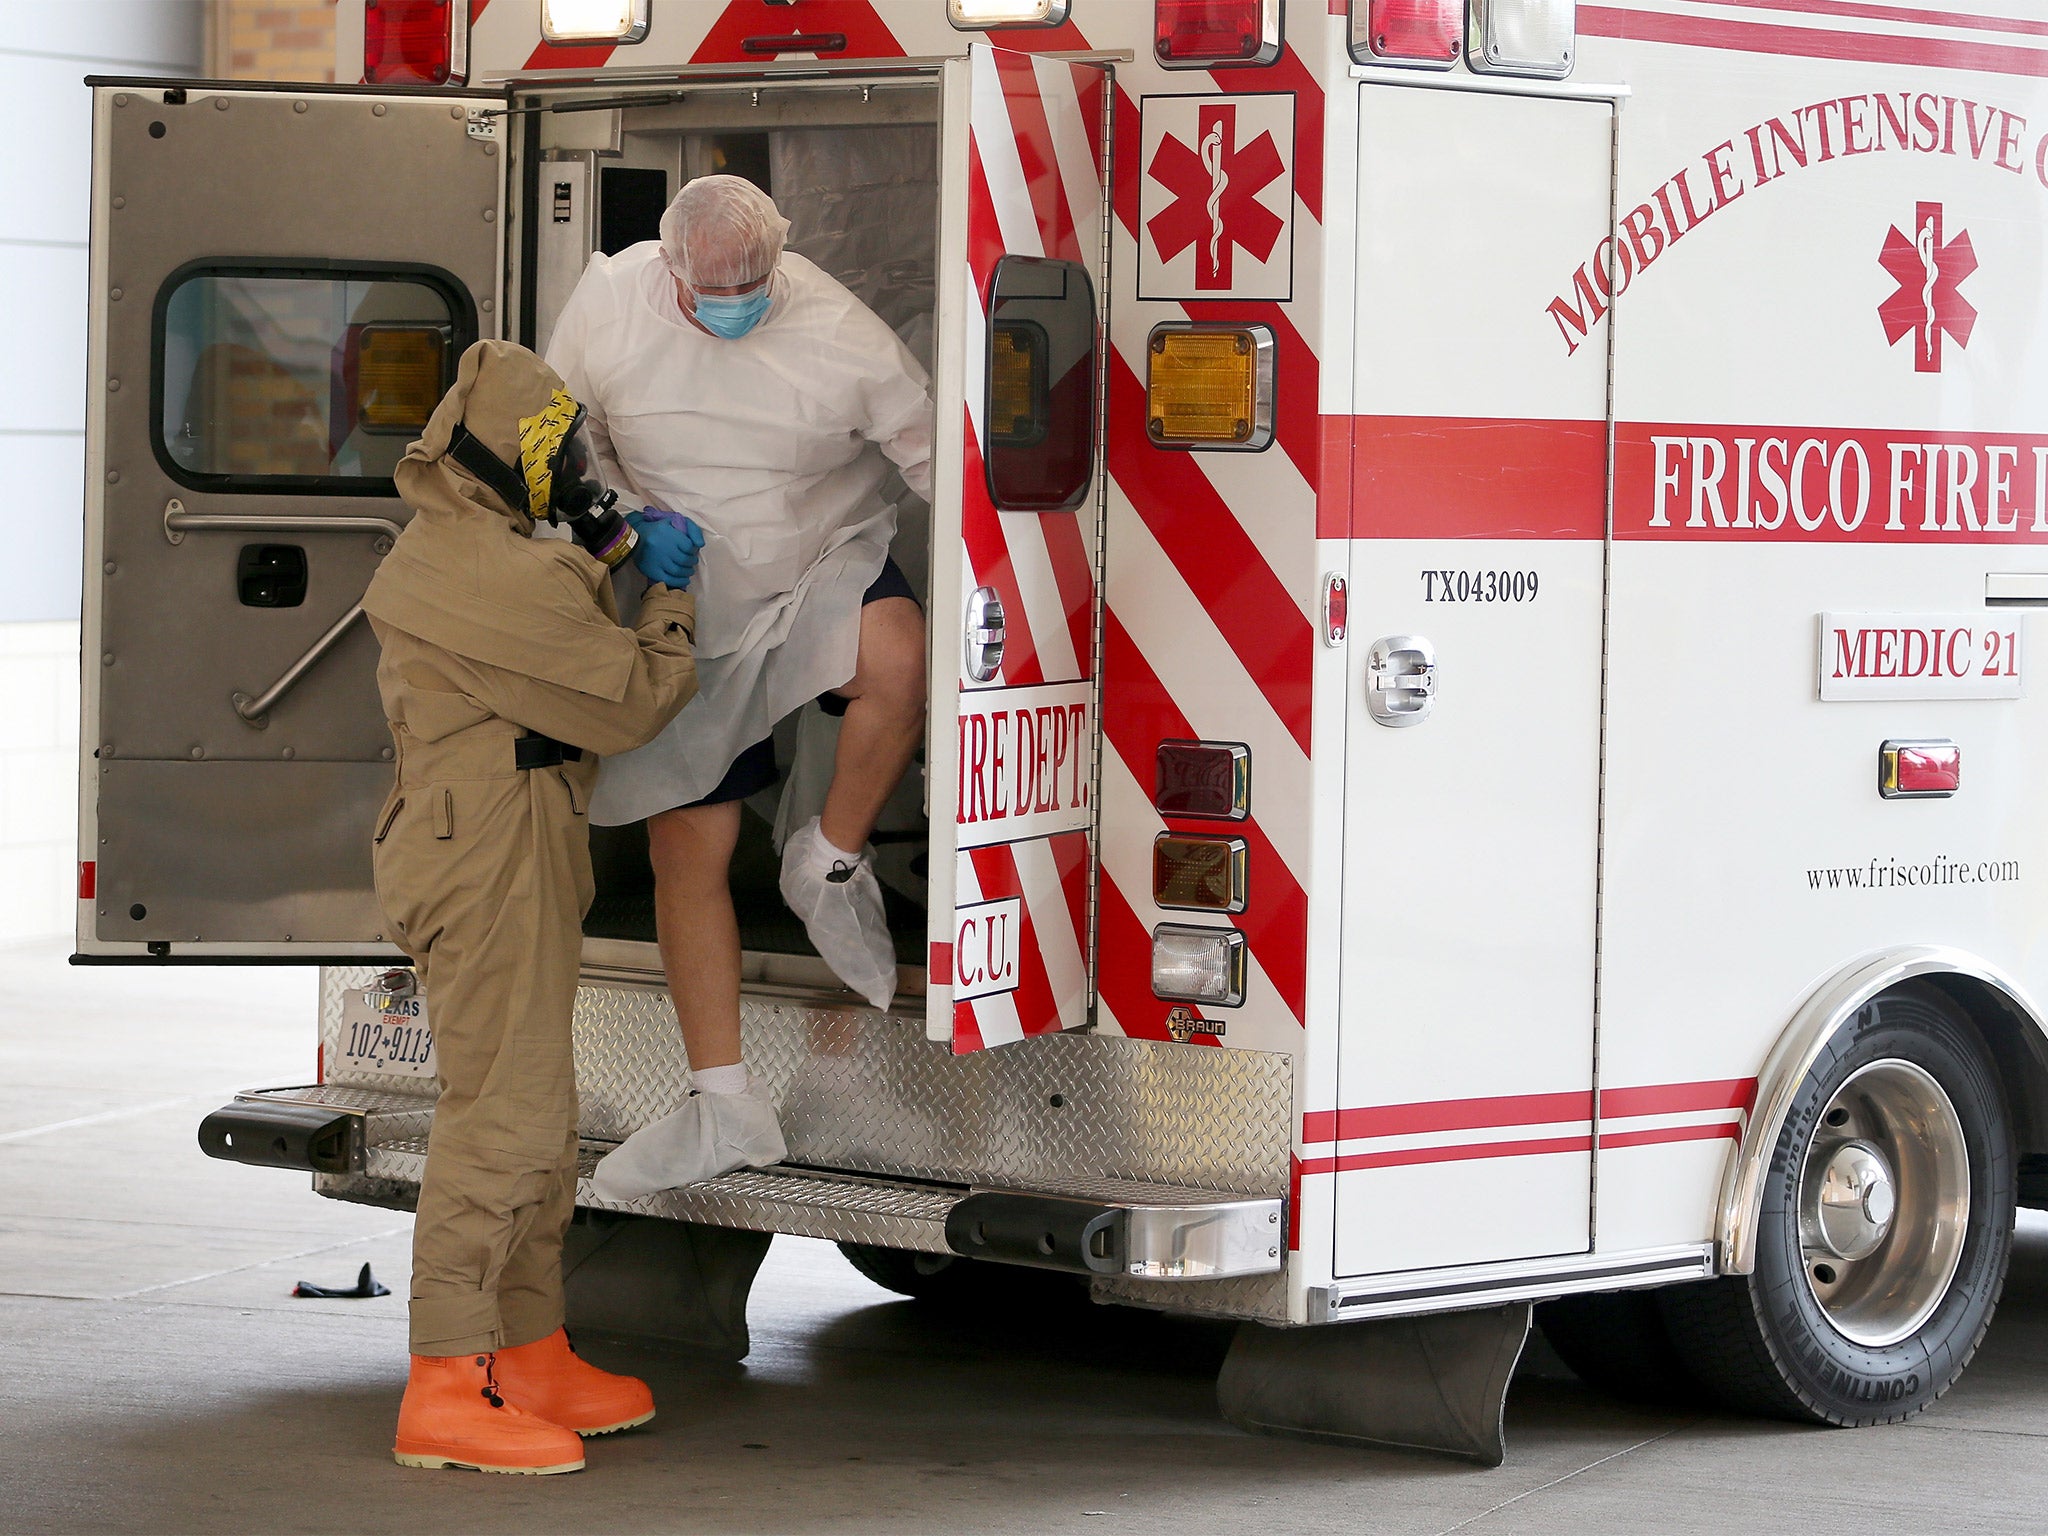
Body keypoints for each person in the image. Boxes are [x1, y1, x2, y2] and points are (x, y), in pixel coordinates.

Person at [544, 175, 933, 1200]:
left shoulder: (838, 331)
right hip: (681, 587)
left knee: (899, 657)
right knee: (689, 845)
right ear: (666, 264)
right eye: (711, 287)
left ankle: (829, 857)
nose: (733, 302)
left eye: (752, 283)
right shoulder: (608, 305)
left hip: (814, 557)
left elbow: (936, 455)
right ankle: (724, 1101)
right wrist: (616, 518)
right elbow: (548, 436)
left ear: (782, 255)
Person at [363, 339, 704, 1475]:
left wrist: (599, 541)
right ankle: (445, 1379)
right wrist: (666, 592)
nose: (569, 472)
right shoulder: (494, 575)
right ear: (499, 456)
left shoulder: (483, 540)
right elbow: (629, 698)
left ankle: (527, 1346)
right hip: (486, 850)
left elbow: (550, 586)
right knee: (498, 1116)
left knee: (538, 1112)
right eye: (553, 452)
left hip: (509, 834)